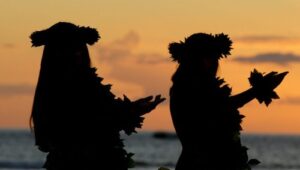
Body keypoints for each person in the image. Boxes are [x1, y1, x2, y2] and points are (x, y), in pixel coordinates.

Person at [30, 22, 165, 170]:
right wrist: (133, 110)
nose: (77, 53)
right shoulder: (71, 84)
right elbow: (94, 122)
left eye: (79, 48)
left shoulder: (56, 84)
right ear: (57, 52)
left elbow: (103, 116)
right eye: (70, 48)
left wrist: (133, 109)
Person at [168, 33, 287, 170]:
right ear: (193, 60)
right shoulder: (185, 89)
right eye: (208, 57)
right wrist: (258, 90)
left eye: (214, 57)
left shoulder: (200, 89)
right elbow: (218, 107)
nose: (213, 62)